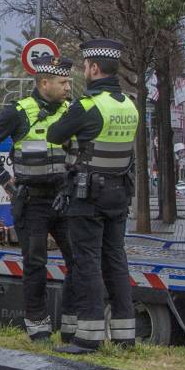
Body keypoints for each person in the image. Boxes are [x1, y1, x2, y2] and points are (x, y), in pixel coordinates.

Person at [0, 54, 78, 342]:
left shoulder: (72, 110)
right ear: (44, 83)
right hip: (32, 201)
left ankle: (70, 324)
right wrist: (4, 181)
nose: (68, 87)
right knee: (35, 263)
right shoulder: (19, 111)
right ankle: (38, 326)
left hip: (63, 199)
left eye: (68, 82)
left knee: (78, 260)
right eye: (62, 82)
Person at [47, 39, 139, 353]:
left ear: (94, 68)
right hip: (120, 193)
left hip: (88, 196)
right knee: (116, 260)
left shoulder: (87, 106)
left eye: (85, 66)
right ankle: (125, 336)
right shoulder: (129, 105)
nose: (84, 71)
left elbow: (54, 134)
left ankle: (88, 337)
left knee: (86, 262)